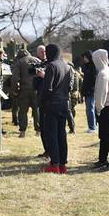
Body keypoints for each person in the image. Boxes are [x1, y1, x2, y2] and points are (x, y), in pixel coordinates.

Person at [40, 44, 72, 174]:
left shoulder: (51, 66)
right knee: (61, 134)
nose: (46, 55)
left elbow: (47, 88)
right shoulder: (67, 66)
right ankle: (63, 164)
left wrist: (41, 101)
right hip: (64, 104)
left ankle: (54, 164)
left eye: (47, 52)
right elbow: (69, 87)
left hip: (52, 105)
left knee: (52, 135)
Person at [92, 49, 109, 171]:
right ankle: (103, 159)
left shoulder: (103, 74)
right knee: (104, 135)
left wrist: (98, 109)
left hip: (105, 107)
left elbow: (100, 94)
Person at [11, 48, 41, 138]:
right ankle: (38, 131)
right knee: (37, 110)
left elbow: (15, 78)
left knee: (23, 111)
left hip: (24, 90)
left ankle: (22, 132)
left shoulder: (19, 62)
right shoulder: (37, 60)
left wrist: (15, 90)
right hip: (36, 90)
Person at [34, 45, 48, 157]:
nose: (44, 53)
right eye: (41, 52)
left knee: (47, 126)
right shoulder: (37, 63)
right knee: (42, 124)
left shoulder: (50, 64)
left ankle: (49, 150)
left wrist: (43, 75)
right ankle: (46, 149)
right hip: (40, 96)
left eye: (45, 51)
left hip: (48, 98)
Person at [80, 51, 97, 133]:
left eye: (85, 57)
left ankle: (92, 127)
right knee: (90, 109)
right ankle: (93, 126)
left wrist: (90, 90)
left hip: (91, 92)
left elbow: (93, 80)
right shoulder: (86, 67)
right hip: (87, 92)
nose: (84, 59)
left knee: (90, 109)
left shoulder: (93, 67)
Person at [66, 64, 82, 135]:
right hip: (76, 94)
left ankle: (71, 125)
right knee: (72, 109)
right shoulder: (77, 74)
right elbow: (81, 82)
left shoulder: (68, 73)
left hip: (70, 93)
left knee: (69, 110)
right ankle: (72, 122)